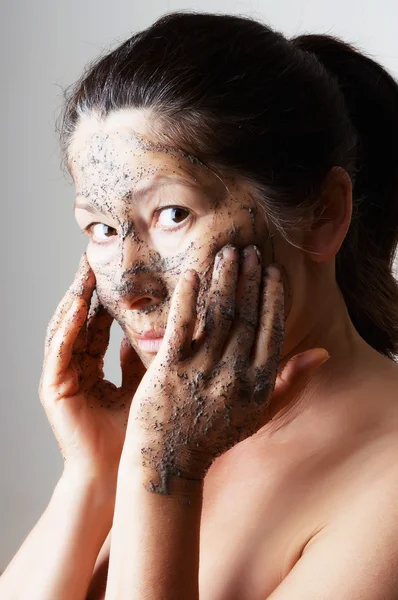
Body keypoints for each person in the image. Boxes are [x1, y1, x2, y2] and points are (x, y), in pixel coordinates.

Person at [2, 10, 398, 600]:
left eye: (172, 214)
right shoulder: (155, 429)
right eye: (103, 228)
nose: (132, 284)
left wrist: (165, 477)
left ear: (323, 214)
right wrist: (96, 473)